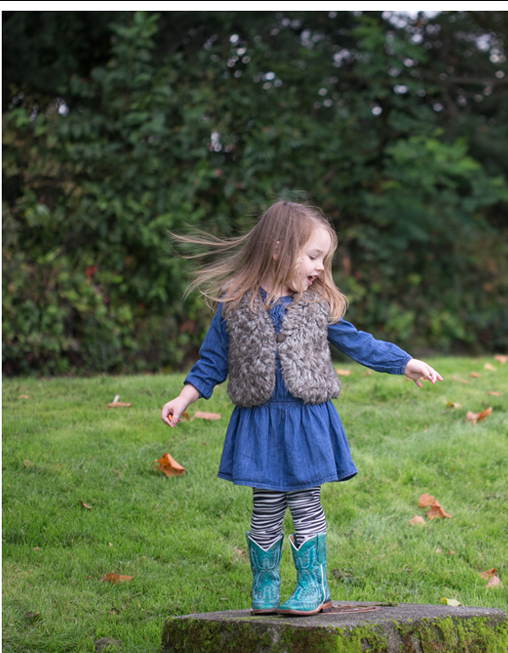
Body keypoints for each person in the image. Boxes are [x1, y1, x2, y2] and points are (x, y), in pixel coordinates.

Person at [160, 199, 441, 616]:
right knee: (266, 505)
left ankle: (313, 584)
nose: (319, 269)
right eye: (313, 256)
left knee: (305, 501)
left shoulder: (316, 305)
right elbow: (213, 359)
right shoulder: (235, 301)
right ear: (277, 249)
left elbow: (358, 343)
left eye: (323, 260)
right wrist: (184, 398)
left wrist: (403, 362)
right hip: (259, 419)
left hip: (306, 419)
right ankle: (266, 584)